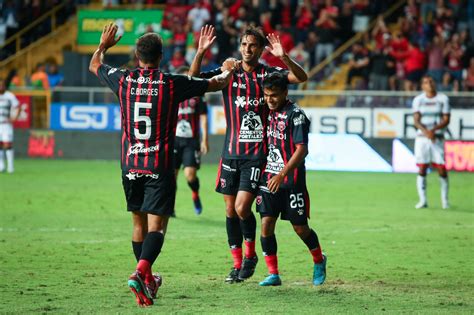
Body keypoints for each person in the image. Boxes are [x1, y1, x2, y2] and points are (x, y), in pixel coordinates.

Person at [89, 23, 234, 307]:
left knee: (138, 223)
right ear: (161, 56)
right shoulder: (170, 83)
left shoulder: (123, 79)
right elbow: (217, 82)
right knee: (158, 226)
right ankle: (141, 272)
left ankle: (148, 276)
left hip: (130, 164)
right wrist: (230, 68)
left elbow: (95, 64)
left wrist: (104, 45)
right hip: (159, 164)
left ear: (136, 54)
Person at [189, 25, 308, 283]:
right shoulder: (228, 73)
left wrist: (284, 57)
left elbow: (301, 77)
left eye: (253, 45)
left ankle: (251, 255)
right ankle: (236, 264)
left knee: (243, 207)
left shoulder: (268, 73)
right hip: (230, 153)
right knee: (230, 210)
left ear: (260, 48)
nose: (247, 50)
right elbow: (193, 80)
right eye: (244, 45)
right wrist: (200, 52)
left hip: (257, 156)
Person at [255, 72, 326, 287]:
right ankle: (273, 274)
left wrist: (282, 174)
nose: (270, 99)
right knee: (266, 224)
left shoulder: (296, 116)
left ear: (285, 93)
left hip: (291, 181)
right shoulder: (267, 110)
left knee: (300, 228)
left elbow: (302, 150)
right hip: (268, 179)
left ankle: (319, 260)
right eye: (267, 95)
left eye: (274, 95)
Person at [173, 66, 209, 215]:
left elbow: (203, 118)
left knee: (190, 175)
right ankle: (170, 206)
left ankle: (195, 194)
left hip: (191, 142)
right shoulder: (173, 94)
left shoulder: (197, 96)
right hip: (174, 140)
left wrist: (204, 140)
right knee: (171, 177)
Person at [412, 75, 450, 210]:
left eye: (431, 81)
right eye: (426, 82)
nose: (430, 84)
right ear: (422, 86)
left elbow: (446, 119)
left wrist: (433, 130)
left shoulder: (443, 99)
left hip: (437, 137)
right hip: (422, 138)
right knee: (422, 167)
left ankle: (445, 201)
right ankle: (423, 200)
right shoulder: (418, 100)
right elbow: (416, 120)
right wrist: (427, 132)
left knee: (441, 168)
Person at [0, 78, 20, 173]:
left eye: (2, 84)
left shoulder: (10, 96)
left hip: (6, 124)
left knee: (7, 144)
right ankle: (1, 166)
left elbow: (18, 106)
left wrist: (14, 118)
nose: (1, 86)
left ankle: (10, 167)